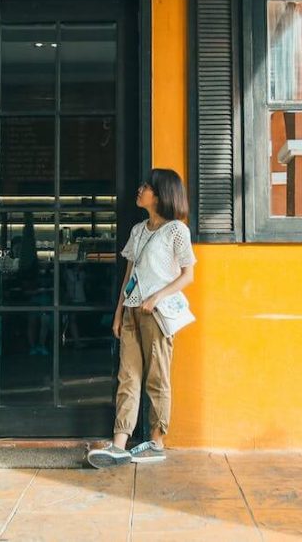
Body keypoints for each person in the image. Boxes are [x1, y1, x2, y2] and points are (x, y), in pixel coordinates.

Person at [87, 168, 196, 468]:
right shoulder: (138, 230)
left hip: (158, 314)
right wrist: (119, 311)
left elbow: (188, 275)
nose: (140, 189)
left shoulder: (177, 231)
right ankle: (119, 444)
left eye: (146, 186)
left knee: (157, 378)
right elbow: (129, 274)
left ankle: (156, 443)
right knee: (128, 376)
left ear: (161, 195)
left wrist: (157, 297)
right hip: (133, 312)